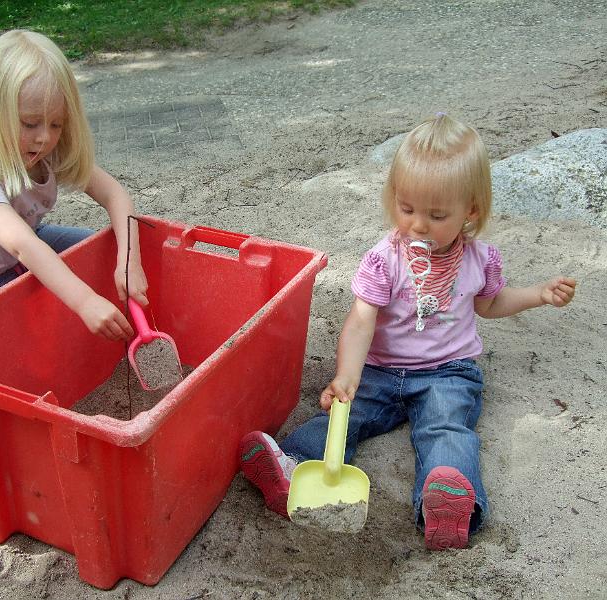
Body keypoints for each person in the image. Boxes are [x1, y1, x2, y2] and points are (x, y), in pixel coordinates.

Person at [239, 113, 576, 550]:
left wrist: (537, 294)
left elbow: (490, 304)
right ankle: (291, 465)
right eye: (407, 208)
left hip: (447, 372)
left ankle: (447, 498)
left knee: (446, 426)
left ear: (470, 211)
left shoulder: (479, 259)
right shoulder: (385, 258)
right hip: (380, 369)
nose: (418, 224)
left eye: (437, 215)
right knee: (344, 416)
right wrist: (347, 374)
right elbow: (361, 319)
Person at [0, 29, 148, 341]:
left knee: (102, 252)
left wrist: (129, 262)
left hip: (27, 244)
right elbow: (22, 244)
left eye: (56, 124)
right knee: (29, 334)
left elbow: (114, 194)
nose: (44, 137)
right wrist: (85, 301)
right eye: (30, 123)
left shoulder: (48, 150)